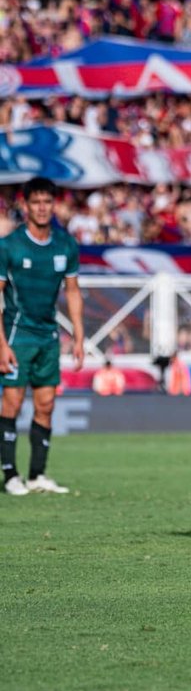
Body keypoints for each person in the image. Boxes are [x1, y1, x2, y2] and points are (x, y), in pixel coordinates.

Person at [0, 177, 84, 496]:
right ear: (25, 206)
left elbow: (73, 292)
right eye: (35, 202)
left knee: (46, 404)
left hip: (48, 335)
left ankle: (37, 475)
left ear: (54, 205)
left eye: (47, 202)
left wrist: (78, 336)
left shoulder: (65, 244)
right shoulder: (9, 246)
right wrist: (1, 344)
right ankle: (10, 475)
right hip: (17, 335)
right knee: (12, 402)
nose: (42, 208)